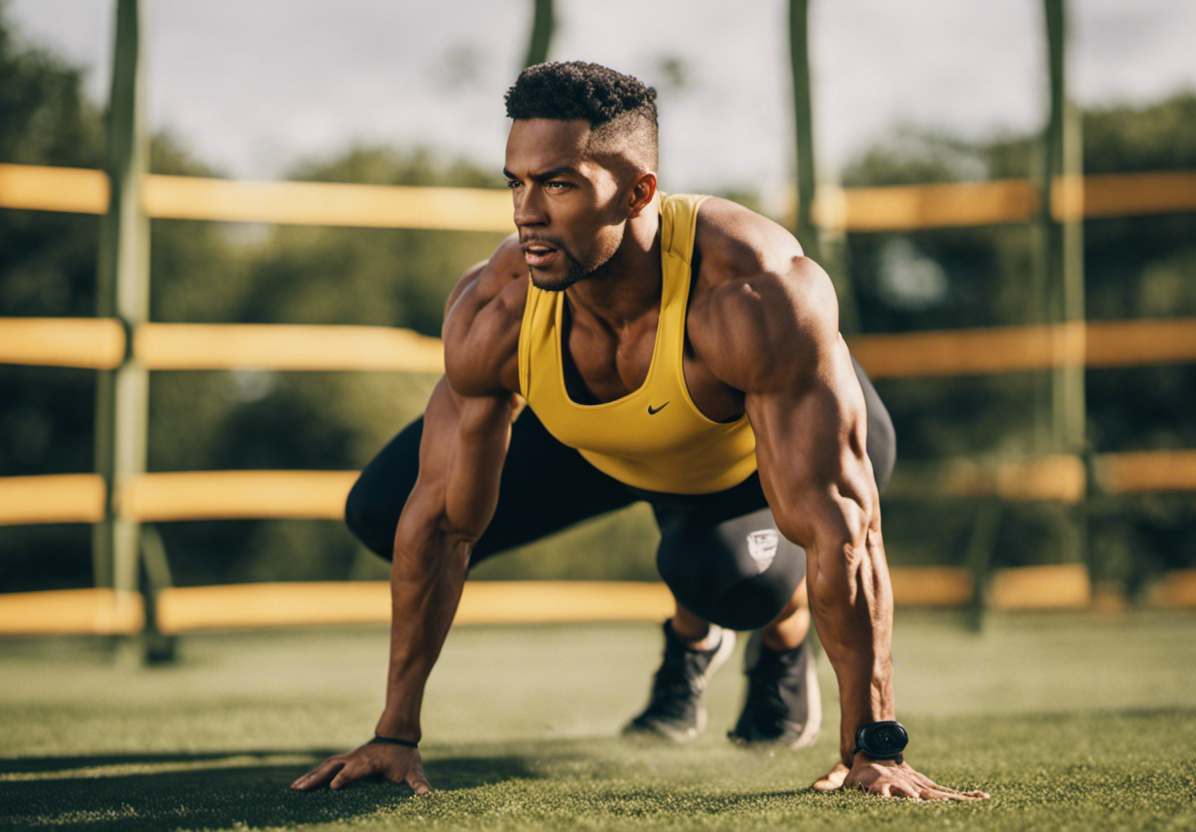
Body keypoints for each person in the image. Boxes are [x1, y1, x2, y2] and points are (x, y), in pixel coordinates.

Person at [292, 61, 987, 802]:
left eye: (558, 184)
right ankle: (697, 613)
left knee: (725, 581)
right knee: (384, 510)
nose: (527, 213)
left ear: (638, 192)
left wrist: (874, 748)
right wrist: (395, 733)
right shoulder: (499, 306)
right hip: (615, 445)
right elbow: (440, 521)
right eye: (515, 183)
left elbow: (842, 527)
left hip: (749, 453)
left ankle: (770, 634)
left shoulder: (751, 295)